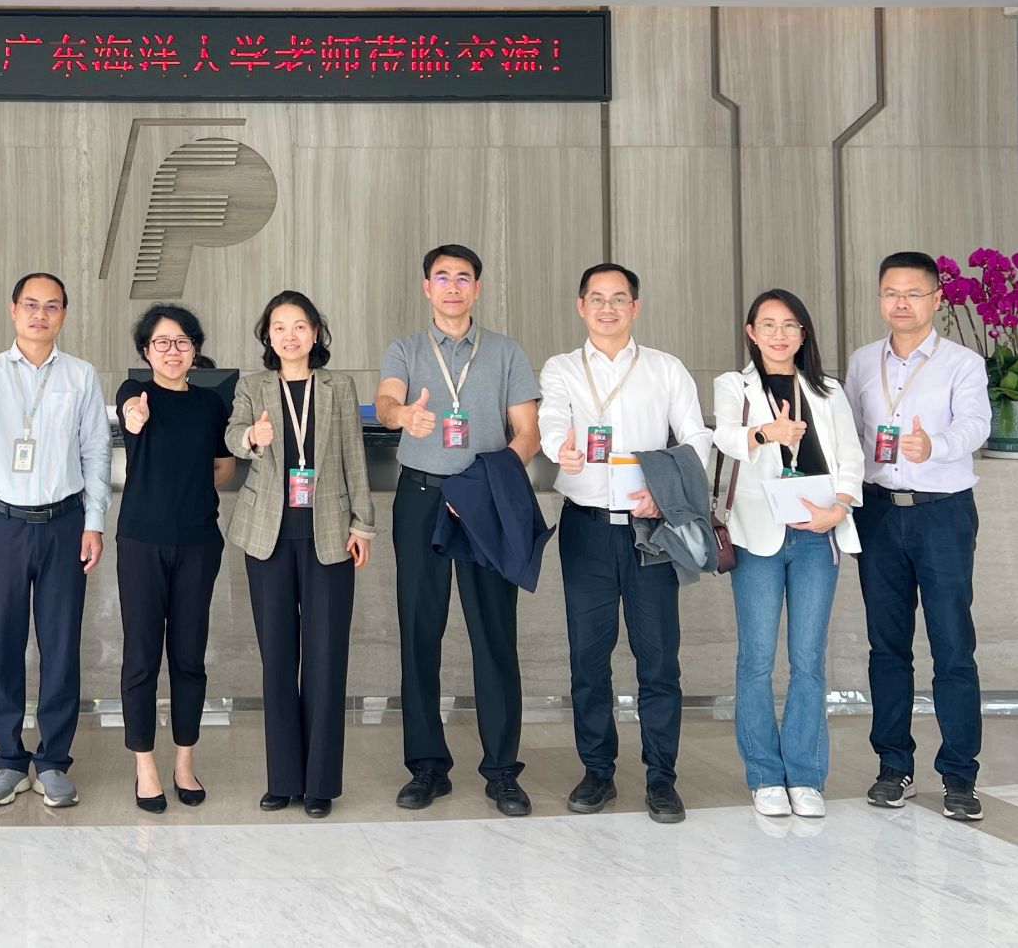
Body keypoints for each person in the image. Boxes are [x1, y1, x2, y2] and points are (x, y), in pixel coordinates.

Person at [539, 262, 712, 825]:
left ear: (635, 307)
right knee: (588, 659)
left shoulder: (665, 368)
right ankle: (597, 771)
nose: (607, 308)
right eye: (597, 298)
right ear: (580, 306)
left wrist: (667, 494)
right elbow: (551, 420)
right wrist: (561, 449)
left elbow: (697, 438)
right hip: (586, 528)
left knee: (658, 659)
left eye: (619, 299)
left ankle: (661, 777)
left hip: (650, 531)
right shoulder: (562, 368)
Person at [374, 244, 541, 818]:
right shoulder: (405, 349)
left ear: (477, 288)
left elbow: (527, 432)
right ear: (427, 287)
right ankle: (427, 766)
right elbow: (386, 401)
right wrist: (403, 416)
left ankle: (502, 770)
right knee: (419, 630)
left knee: (494, 633)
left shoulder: (506, 352)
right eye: (441, 277)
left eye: (463, 278)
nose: (452, 286)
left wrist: (491, 479)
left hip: (484, 501)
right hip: (421, 497)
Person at [0, 272, 110, 809]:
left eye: (52, 306)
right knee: (4, 642)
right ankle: (9, 760)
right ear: (13, 309)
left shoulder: (81, 375)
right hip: (3, 525)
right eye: (31, 305)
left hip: (64, 523)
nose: (40, 314)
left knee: (61, 644)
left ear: (63, 314)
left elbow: (96, 451)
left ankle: (54, 760)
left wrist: (94, 522)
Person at [845, 251, 992, 821]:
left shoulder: (962, 363)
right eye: (890, 292)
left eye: (912, 292)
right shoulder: (863, 362)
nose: (900, 303)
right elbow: (850, 433)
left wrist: (937, 446)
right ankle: (893, 766)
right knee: (887, 646)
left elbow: (976, 424)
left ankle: (959, 774)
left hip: (942, 514)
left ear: (936, 298)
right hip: (879, 513)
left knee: (952, 643)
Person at [711, 288, 865, 819]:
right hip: (757, 536)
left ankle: (805, 775)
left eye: (790, 325)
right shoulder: (733, 385)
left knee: (808, 660)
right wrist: (766, 432)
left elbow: (851, 457)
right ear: (751, 333)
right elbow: (726, 438)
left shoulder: (827, 390)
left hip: (817, 536)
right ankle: (763, 775)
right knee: (756, 660)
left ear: (803, 334)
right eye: (768, 325)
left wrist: (839, 509)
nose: (779, 335)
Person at [228, 291, 375, 818]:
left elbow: (355, 457)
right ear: (268, 336)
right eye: (279, 327)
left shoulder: (338, 386)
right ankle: (283, 779)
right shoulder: (252, 386)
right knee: (277, 660)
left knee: (326, 658)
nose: (289, 335)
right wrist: (252, 436)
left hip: (329, 534)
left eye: (299, 326)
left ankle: (319, 785)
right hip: (267, 536)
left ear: (316, 332)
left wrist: (363, 525)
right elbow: (232, 437)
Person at [114, 304, 232, 813]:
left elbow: (224, 466)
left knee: (189, 656)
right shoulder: (134, 392)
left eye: (182, 341)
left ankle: (185, 762)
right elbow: (130, 414)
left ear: (195, 349)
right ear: (146, 351)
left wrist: (191, 485)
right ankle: (145, 767)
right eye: (161, 342)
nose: (172, 350)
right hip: (141, 542)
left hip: (198, 543)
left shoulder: (212, 404)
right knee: (141, 657)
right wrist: (134, 416)